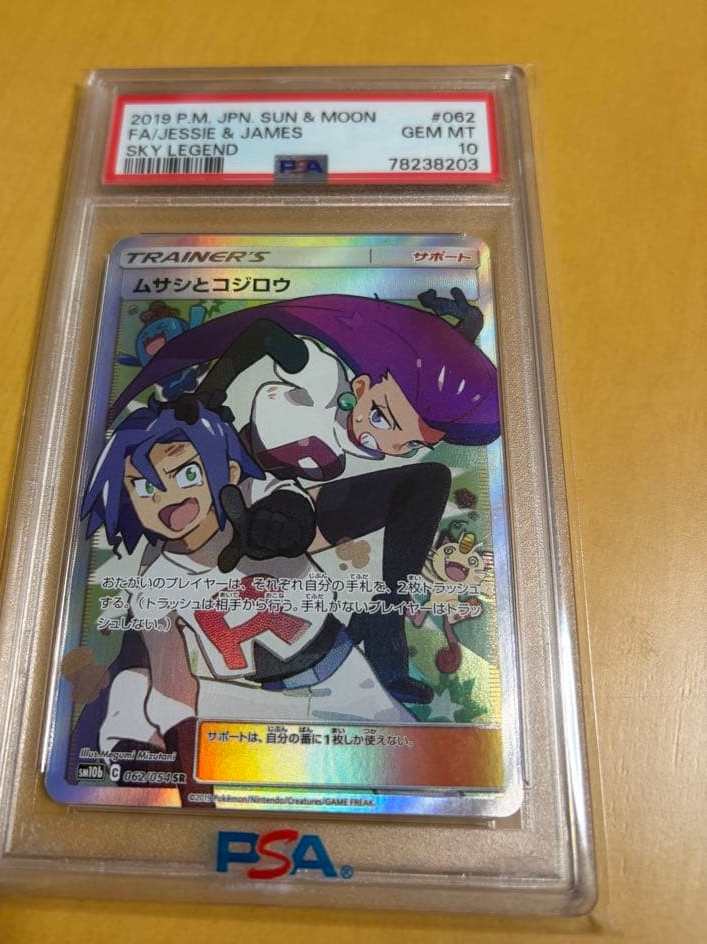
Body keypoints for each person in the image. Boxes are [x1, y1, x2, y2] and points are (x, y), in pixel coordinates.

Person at [105, 290, 500, 705]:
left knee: (429, 480)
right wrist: (210, 393)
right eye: (380, 418)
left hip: (285, 506)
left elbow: (414, 381)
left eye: (409, 444)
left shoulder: (376, 437)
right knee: (159, 582)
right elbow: (265, 333)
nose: (384, 443)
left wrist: (462, 331)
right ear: (361, 386)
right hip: (225, 486)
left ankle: (384, 625)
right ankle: (129, 686)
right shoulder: (323, 379)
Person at [71, 399, 411, 782]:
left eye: (186, 474)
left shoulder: (254, 502)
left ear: (230, 470)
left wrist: (285, 520)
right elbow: (172, 683)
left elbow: (297, 503)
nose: (167, 498)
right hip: (263, 702)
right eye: (145, 486)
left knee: (409, 762)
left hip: (345, 681)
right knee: (136, 689)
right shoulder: (155, 584)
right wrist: (174, 746)